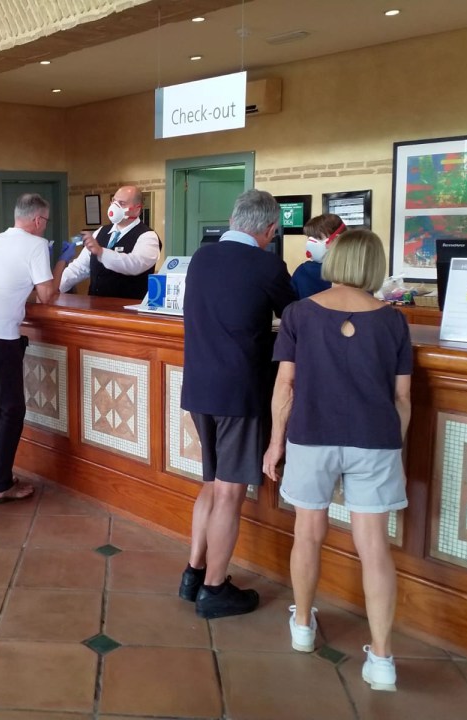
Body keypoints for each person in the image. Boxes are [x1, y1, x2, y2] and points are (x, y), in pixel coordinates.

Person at [263, 229, 412, 692]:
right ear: (373, 266)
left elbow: (285, 387)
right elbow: (403, 397)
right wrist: (392, 444)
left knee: (307, 535)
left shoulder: (298, 314)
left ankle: (304, 626)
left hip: (312, 436)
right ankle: (383, 659)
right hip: (375, 440)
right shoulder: (393, 322)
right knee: (375, 550)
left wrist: (275, 443)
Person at [178, 189, 295, 619]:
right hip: (238, 392)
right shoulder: (267, 264)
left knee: (210, 484)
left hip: (198, 389)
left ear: (232, 219)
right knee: (230, 493)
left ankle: (194, 572)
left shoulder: (201, 258)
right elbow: (296, 315)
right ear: (268, 230)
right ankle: (214, 589)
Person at [0, 194, 67, 503]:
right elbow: (47, 296)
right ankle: (1, 483)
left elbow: (15, 284)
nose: (45, 227)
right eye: (45, 222)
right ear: (37, 220)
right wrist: (62, 260)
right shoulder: (35, 245)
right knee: (12, 408)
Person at [59, 185, 160, 299]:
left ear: (137, 209)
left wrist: (101, 252)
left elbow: (134, 265)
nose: (115, 206)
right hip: (96, 307)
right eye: (113, 201)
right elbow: (79, 268)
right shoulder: (101, 231)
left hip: (129, 309)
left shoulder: (148, 236)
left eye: (122, 203)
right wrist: (55, 288)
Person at [290, 213, 346, 299]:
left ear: (337, 240)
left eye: (318, 238)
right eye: (309, 238)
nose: (310, 243)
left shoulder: (303, 271)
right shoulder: (355, 272)